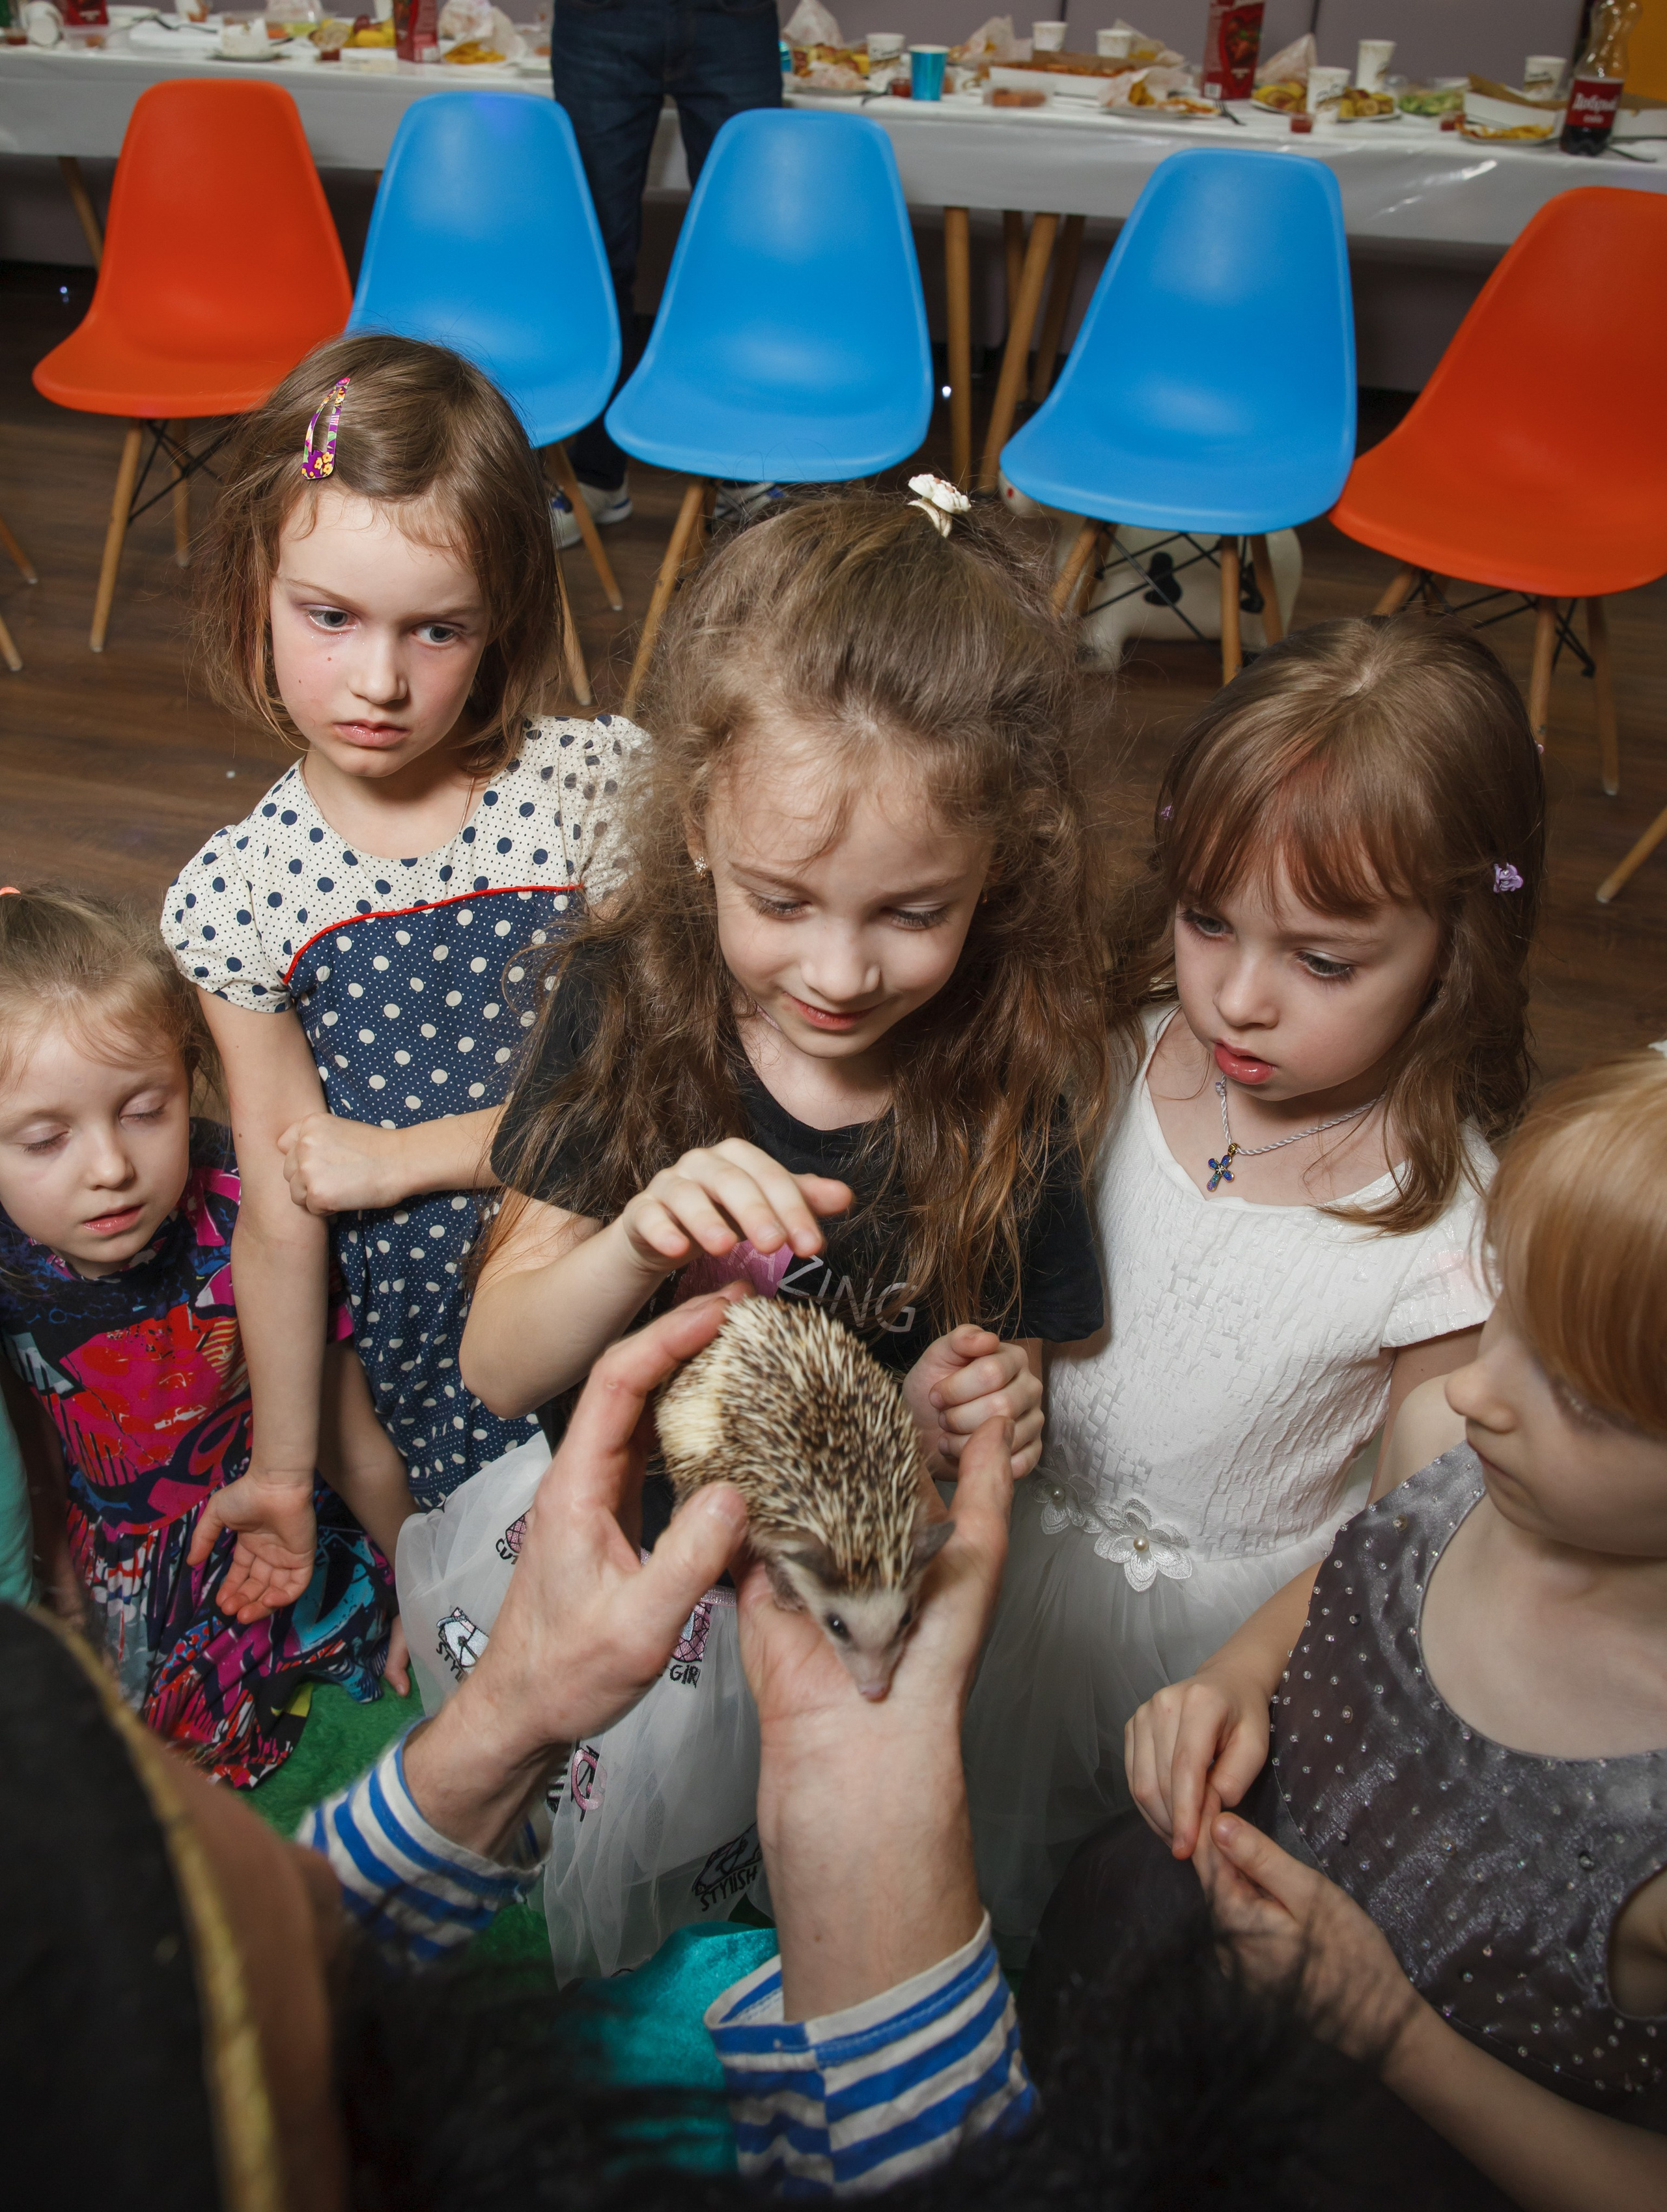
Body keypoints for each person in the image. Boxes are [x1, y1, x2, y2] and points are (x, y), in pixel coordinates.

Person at [453, 488, 1113, 1977]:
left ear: (1000, 864)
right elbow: (497, 1367)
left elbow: (1003, 1361)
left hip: (840, 1609)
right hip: (625, 1569)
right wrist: (630, 1242)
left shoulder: (1011, 1077)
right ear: (696, 826)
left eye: (911, 912)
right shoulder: (624, 1007)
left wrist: (969, 1405)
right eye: (781, 899)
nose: (839, 971)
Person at [964, 617, 1547, 1965]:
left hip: (1229, 1645)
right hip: (1008, 1565)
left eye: (1322, 962)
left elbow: (1411, 1534)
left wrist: (1238, 1672)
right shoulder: (1108, 1056)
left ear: (1456, 948)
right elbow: (1004, 1272)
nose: (1235, 997)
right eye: (1206, 920)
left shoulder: (1445, 1233)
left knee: (1113, 1940)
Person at [1093, 1047, 1667, 2207]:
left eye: (1576, 1394)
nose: (1477, 1388)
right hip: (1174, 1975)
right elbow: (1357, 1576)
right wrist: (1238, 1674)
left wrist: (1388, 2027)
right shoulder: (1446, 1453)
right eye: (1509, 1311)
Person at [161, 333, 645, 1636]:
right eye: (330, 617)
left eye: (437, 629)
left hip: (597, 1272)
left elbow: (644, 1101)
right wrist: (284, 1472)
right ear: (254, 589)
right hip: (416, 1339)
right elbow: (283, 1207)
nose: (379, 682)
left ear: (503, 620)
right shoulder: (242, 890)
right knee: (484, 1596)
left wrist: (403, 1157)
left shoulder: (589, 792)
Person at [0, 887, 397, 1786]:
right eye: (46, 1139)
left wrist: (429, 1583)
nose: (110, 1168)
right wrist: (53, 1561)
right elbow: (22, 1442)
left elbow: (347, 1431)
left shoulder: (253, 1213)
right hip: (109, 1539)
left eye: (147, 1110)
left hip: (267, 1517)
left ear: (190, 1077)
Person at [548, 0, 784, 546]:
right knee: (597, 256)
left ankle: (742, 466)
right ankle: (596, 473)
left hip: (735, 15)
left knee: (747, 256)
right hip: (598, 15)